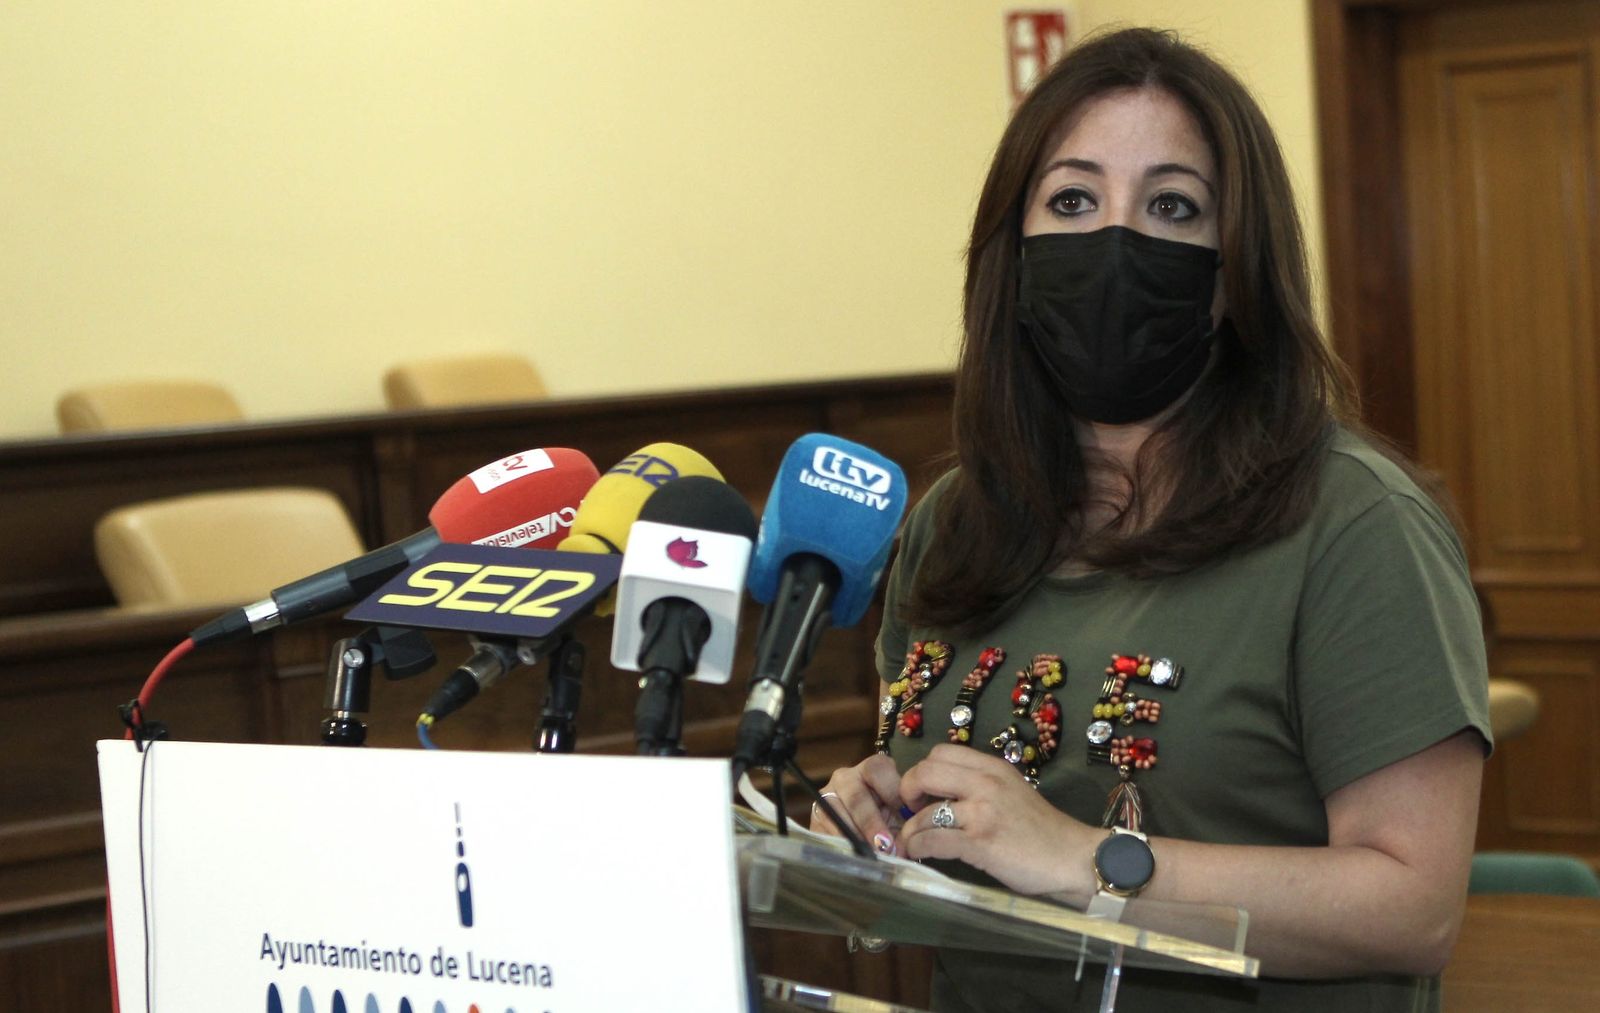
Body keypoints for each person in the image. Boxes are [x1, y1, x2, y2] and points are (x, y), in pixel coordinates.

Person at [811, 26, 1490, 1013]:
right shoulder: (954, 521)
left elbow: (1412, 904)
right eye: (1072, 200)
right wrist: (878, 824)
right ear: (1013, 250)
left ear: (1232, 270)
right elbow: (954, 820)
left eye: (1172, 207)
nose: (1112, 242)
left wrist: (1086, 858)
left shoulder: (1354, 522)